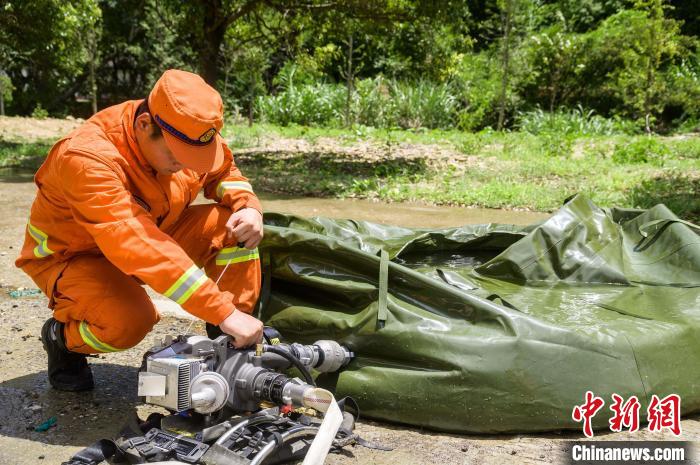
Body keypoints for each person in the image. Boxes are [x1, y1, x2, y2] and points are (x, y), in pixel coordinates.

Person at [15, 69, 265, 391]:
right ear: (144, 125)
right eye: (177, 156)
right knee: (129, 322)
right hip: (75, 256)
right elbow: (134, 242)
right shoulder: (87, 158)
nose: (185, 164)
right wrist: (222, 309)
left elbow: (223, 170)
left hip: (153, 233)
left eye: (195, 156)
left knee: (232, 229)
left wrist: (247, 206)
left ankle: (232, 350)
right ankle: (61, 339)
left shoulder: (186, 130)